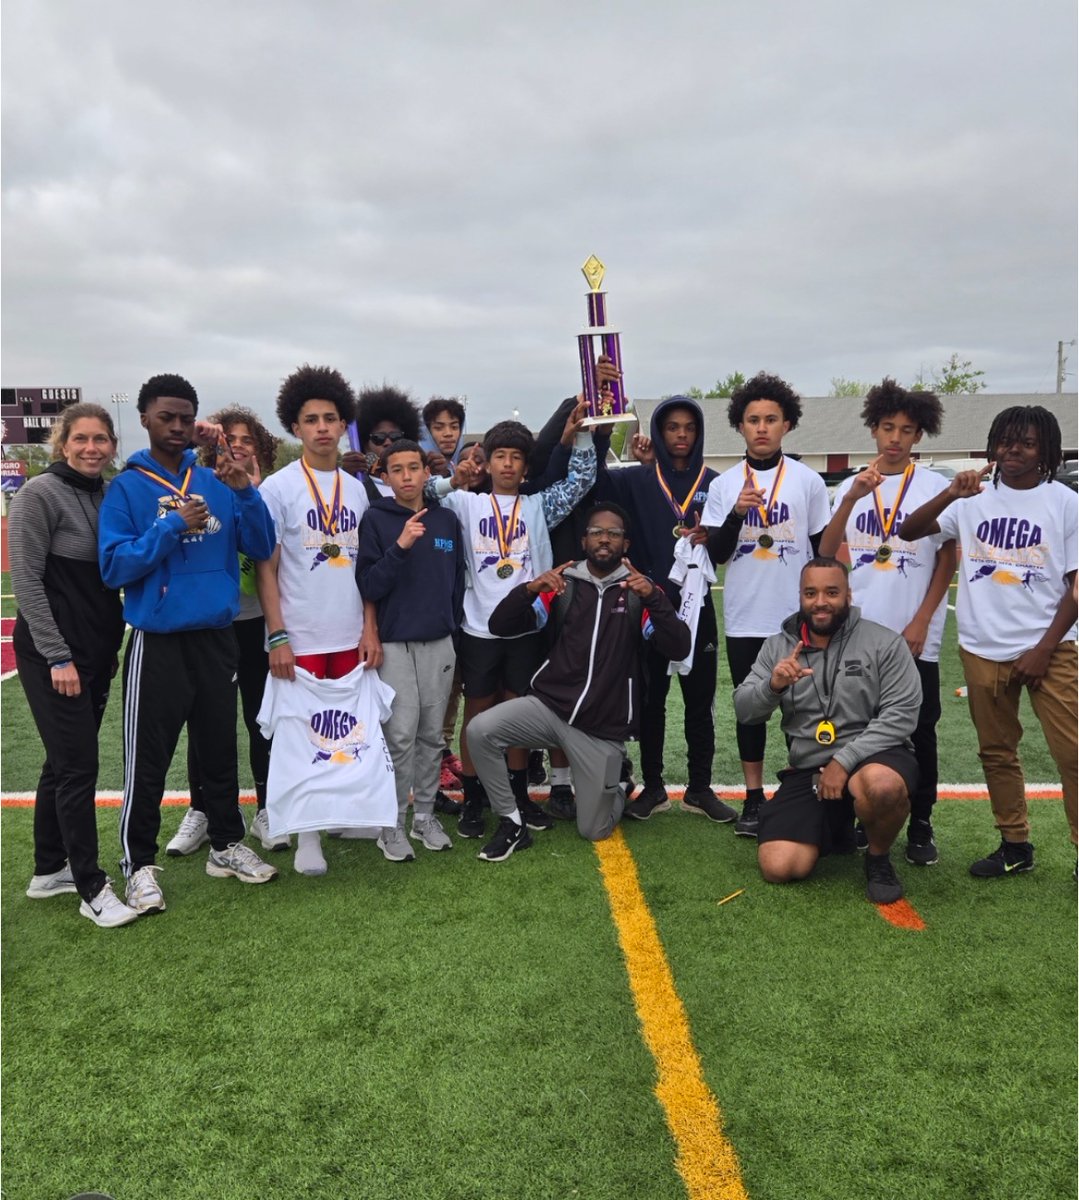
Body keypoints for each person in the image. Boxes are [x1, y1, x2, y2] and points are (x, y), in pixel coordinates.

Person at [98, 374, 280, 914]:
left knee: (219, 752)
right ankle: (138, 865)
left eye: (185, 417)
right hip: (157, 642)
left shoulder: (219, 479)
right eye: (166, 417)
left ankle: (225, 845)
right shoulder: (128, 488)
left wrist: (244, 489)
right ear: (146, 419)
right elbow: (114, 566)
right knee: (148, 762)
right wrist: (171, 526)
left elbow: (262, 543)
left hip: (216, 639)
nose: (176, 427)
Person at [898, 406, 1077, 876]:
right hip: (982, 646)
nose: (1013, 450)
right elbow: (909, 531)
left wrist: (1043, 649)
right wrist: (948, 496)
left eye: (1027, 443)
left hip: (1050, 648)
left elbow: (1077, 587)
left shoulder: (1065, 502)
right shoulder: (972, 499)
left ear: (1047, 451)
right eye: (1005, 440)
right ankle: (1015, 845)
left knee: (1072, 753)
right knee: (997, 752)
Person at [466, 503, 692, 861]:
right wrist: (529, 589)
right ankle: (511, 823)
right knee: (480, 730)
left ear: (626, 543)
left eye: (614, 533)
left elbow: (679, 646)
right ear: (584, 540)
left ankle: (618, 781)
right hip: (549, 707)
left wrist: (654, 598)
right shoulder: (562, 583)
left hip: (601, 726)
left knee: (594, 829)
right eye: (597, 532)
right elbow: (500, 625)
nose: (605, 539)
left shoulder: (639, 590)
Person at [426, 405, 596, 840]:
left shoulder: (539, 505)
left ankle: (520, 797)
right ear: (486, 462)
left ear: (525, 465)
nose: (506, 464)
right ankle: (473, 798)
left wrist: (579, 436)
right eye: (499, 455)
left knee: (516, 712)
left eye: (515, 457)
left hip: (526, 627)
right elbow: (422, 493)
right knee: (476, 712)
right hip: (478, 628)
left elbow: (581, 482)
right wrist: (454, 479)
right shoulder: (465, 503)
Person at [9, 403, 139, 927]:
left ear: (112, 445)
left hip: (94, 654)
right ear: (63, 443)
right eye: (81, 439)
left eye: (101, 439)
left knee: (60, 764)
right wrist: (56, 655)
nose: (92, 448)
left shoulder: (108, 494)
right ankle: (91, 885)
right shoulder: (40, 494)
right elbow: (27, 582)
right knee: (78, 767)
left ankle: (48, 870)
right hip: (53, 657)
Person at [818, 380, 954, 865]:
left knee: (921, 729)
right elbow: (827, 548)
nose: (896, 438)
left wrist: (921, 621)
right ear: (873, 429)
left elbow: (947, 558)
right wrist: (853, 497)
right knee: (860, 727)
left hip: (915, 635)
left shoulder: (934, 487)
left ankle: (921, 824)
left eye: (907, 430)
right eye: (888, 428)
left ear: (919, 435)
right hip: (861, 636)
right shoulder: (854, 485)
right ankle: (865, 816)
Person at [256, 364, 383, 876]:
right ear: (296, 427)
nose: (323, 428)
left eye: (331, 418)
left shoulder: (359, 489)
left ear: (343, 423)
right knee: (303, 735)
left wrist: (369, 628)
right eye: (311, 419)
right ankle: (308, 834)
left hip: (350, 631)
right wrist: (277, 635)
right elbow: (267, 569)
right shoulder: (278, 488)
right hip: (301, 634)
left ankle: (340, 815)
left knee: (348, 728)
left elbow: (370, 568)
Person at [733, 557, 921, 903]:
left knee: (881, 787)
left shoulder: (883, 642)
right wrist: (773, 686)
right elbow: (745, 711)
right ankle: (836, 826)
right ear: (801, 596)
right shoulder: (778, 646)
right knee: (779, 866)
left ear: (848, 595)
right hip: (810, 769)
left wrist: (844, 761)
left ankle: (878, 858)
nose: (821, 602)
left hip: (874, 758)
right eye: (811, 593)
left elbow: (902, 714)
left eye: (831, 592)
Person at [700, 372, 830, 836]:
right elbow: (715, 555)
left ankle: (809, 788)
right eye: (752, 419)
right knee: (750, 709)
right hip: (745, 617)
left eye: (771, 419)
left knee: (808, 706)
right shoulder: (724, 485)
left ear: (787, 425)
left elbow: (822, 549)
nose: (761, 428)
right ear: (740, 425)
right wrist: (736, 514)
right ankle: (753, 798)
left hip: (797, 618)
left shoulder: (808, 481)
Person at [593, 393, 733, 822]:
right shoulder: (638, 479)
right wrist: (602, 436)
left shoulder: (715, 482)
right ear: (658, 431)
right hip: (649, 606)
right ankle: (653, 787)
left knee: (700, 698)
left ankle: (700, 788)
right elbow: (599, 484)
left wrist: (730, 522)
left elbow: (724, 553)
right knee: (652, 700)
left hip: (697, 607)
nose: (681, 435)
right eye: (672, 427)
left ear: (699, 433)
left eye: (689, 428)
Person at [165, 406, 286, 856]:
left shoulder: (269, 490)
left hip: (256, 618)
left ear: (260, 446)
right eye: (227, 439)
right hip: (212, 623)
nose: (236, 445)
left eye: (246, 439)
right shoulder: (198, 484)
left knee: (261, 717)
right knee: (205, 723)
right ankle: (202, 809)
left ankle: (267, 807)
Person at [356, 439, 466, 859]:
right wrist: (400, 546)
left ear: (426, 472)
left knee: (431, 735)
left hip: (439, 641)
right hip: (396, 643)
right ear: (384, 477)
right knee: (399, 735)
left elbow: (456, 582)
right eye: (396, 469)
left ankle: (424, 817)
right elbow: (368, 585)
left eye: (413, 468)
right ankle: (392, 824)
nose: (406, 476)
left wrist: (450, 628)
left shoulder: (447, 521)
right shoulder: (377, 520)